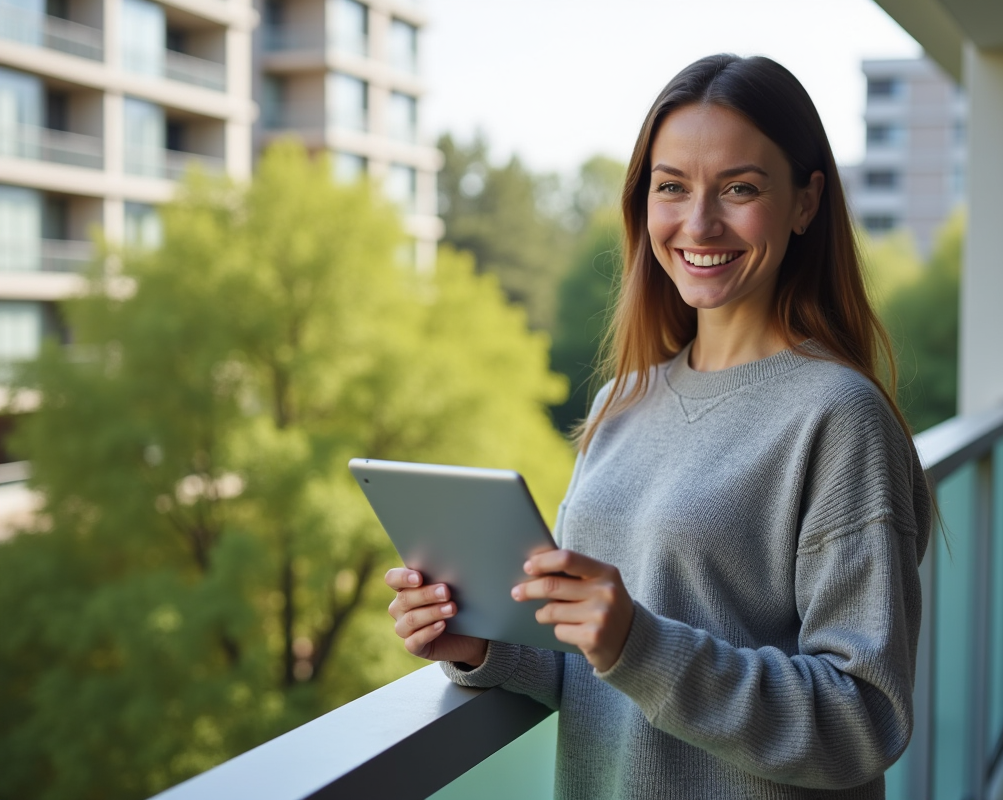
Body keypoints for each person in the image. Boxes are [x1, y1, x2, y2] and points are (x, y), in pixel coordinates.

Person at [385, 54, 931, 799]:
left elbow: (862, 721)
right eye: (671, 187)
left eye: (740, 188)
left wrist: (638, 645)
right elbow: (606, 665)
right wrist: (484, 647)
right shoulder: (623, 402)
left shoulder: (841, 419)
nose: (699, 223)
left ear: (806, 203)